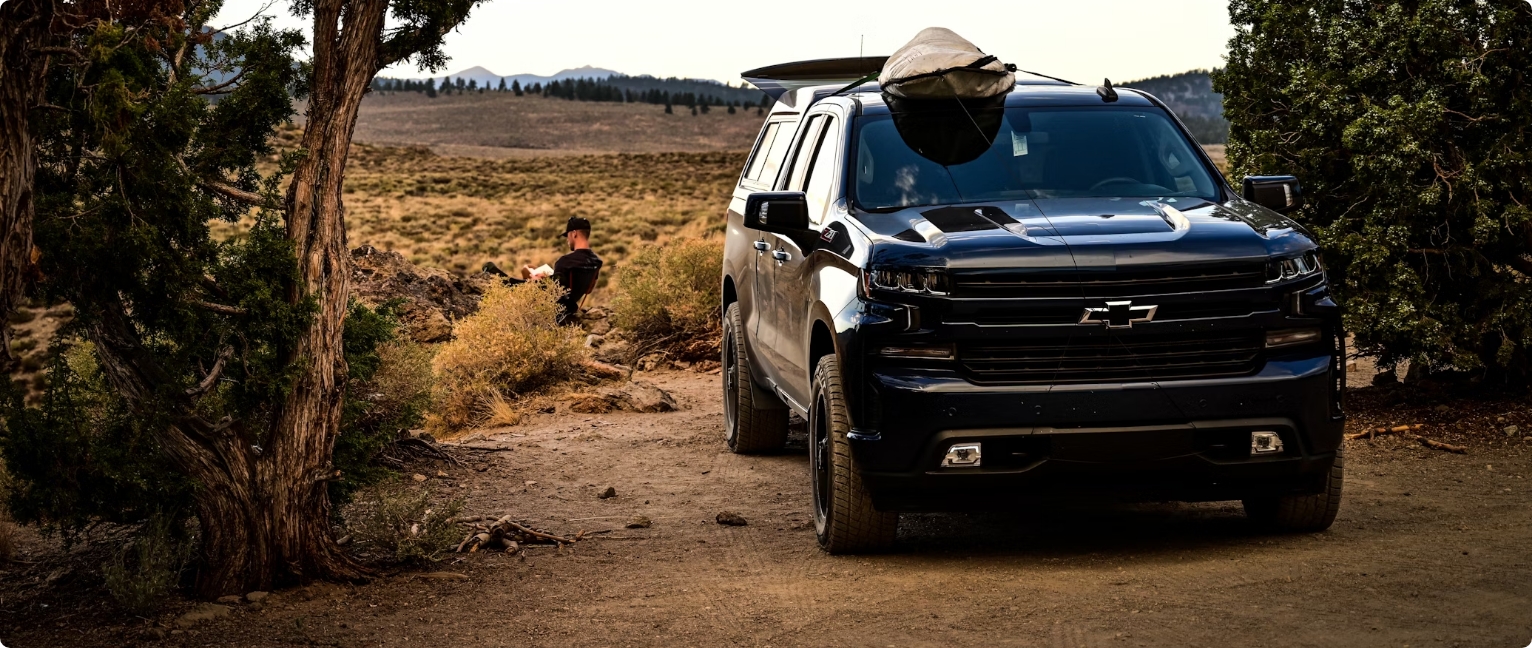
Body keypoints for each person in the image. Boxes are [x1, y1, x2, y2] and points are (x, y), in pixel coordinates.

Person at [483, 216, 603, 324]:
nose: (567, 240)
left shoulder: (565, 261)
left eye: (567, 236)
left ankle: (492, 271)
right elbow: (588, 290)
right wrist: (548, 280)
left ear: (574, 234)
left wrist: (538, 282)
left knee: (505, 278)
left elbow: (556, 293)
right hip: (570, 307)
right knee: (532, 268)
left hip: (555, 311)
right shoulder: (596, 262)